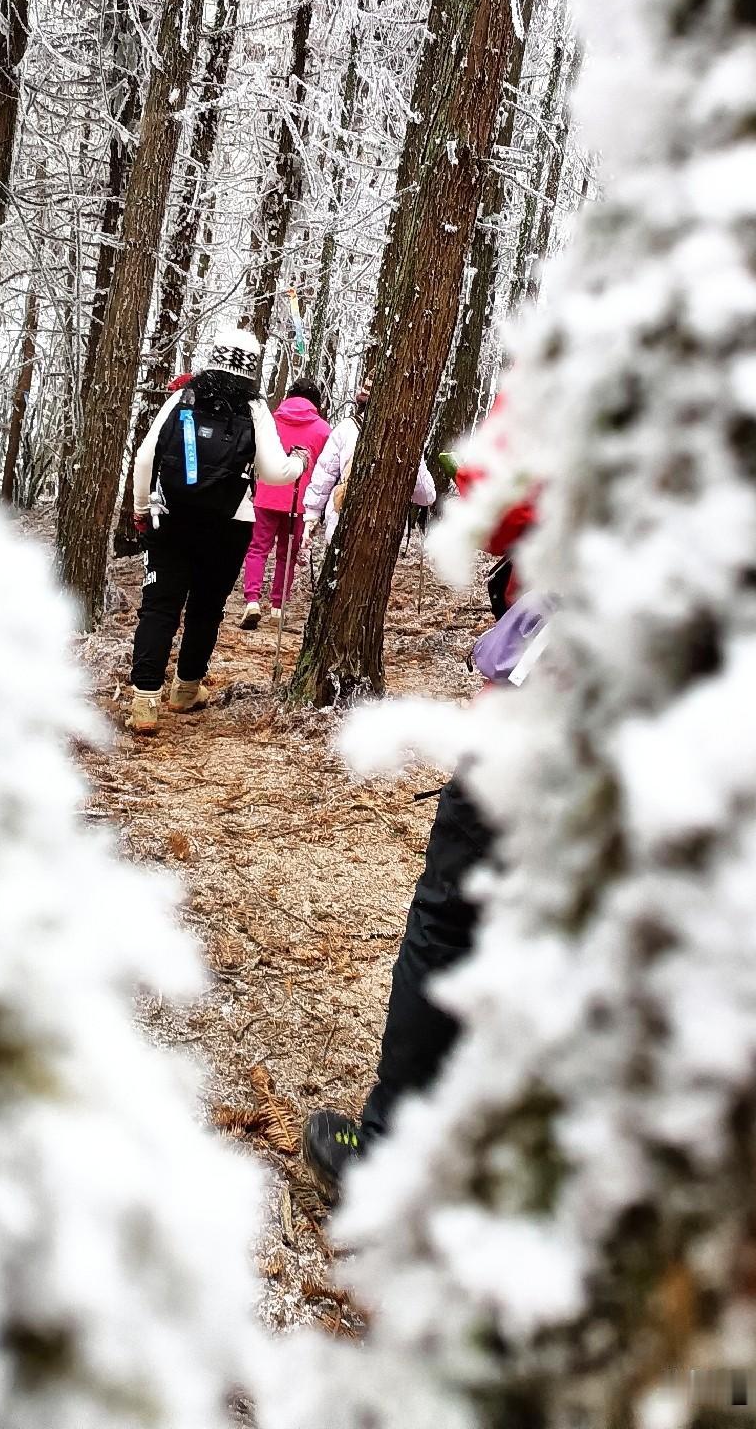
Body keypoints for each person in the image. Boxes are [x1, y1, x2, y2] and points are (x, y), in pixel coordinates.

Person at [301, 401, 541, 1205]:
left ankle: (391, 1150)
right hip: (736, 717)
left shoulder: (619, 315)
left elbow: (491, 484)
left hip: (556, 688)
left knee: (454, 917)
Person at [128, 329, 307, 735]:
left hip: (172, 517)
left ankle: (144, 701)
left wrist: (142, 512)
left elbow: (144, 458)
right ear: (252, 365)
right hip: (231, 523)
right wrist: (299, 461)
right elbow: (275, 473)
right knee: (206, 608)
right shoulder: (253, 407)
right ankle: (186, 690)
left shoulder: (183, 395)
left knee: (159, 607)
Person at [240, 379, 330, 630]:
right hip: (300, 502)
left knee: (257, 549)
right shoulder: (323, 430)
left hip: (266, 495)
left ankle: (252, 600)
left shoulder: (270, 422)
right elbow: (326, 470)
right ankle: (278, 607)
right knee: (287, 555)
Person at [303, 380, 437, 546]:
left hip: (341, 524)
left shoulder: (346, 428)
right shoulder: (407, 438)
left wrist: (312, 513)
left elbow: (324, 475)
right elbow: (426, 495)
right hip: (384, 534)